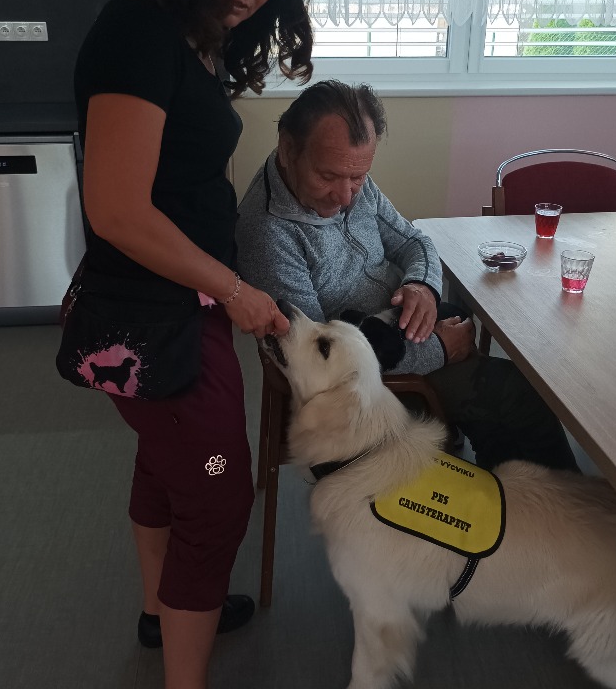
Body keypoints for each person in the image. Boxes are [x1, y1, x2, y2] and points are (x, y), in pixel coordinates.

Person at [73, 0, 317, 689]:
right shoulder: (138, 31)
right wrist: (239, 290)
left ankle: (158, 612)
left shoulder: (189, 31)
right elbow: (117, 209)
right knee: (217, 489)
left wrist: (224, 286)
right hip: (155, 317)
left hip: (171, 311)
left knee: (168, 460)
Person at [236, 80, 579, 473]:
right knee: (519, 397)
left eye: (358, 178)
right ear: (287, 148)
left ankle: (498, 485)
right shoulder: (268, 234)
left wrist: (422, 286)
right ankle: (553, 504)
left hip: (398, 335)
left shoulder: (347, 175)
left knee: (499, 389)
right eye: (328, 177)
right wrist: (439, 350)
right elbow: (317, 367)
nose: (346, 197)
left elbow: (414, 241)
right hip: (375, 385)